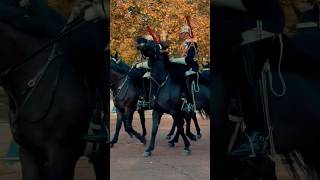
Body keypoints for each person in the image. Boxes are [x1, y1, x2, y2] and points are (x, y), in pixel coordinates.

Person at [169, 20, 199, 113]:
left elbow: (189, 58)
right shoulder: (185, 44)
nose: (182, 35)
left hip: (191, 68)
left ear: (187, 33)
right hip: (184, 67)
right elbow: (182, 57)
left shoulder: (192, 43)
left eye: (183, 33)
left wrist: (176, 60)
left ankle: (190, 103)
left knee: (187, 82)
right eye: (182, 33)